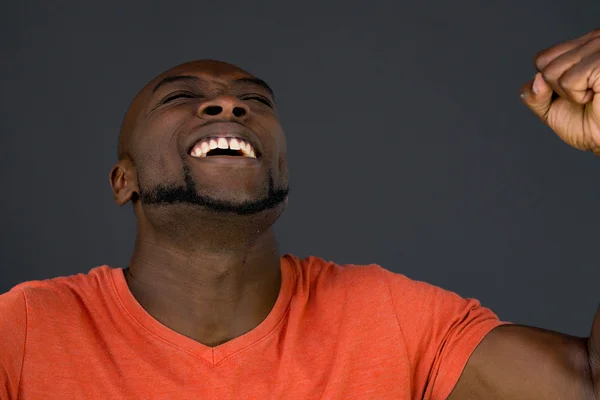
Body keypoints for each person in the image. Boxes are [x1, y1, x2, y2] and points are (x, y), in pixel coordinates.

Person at [1, 28, 600, 400]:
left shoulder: (387, 319)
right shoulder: (22, 331)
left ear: (281, 166)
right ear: (122, 181)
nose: (229, 104)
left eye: (255, 102)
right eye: (181, 97)